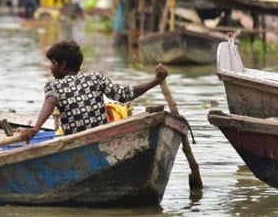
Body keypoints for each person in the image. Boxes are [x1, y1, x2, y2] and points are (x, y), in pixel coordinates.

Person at [19, 40, 168, 142]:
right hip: (102, 138)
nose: (50, 67)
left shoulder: (54, 86)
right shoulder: (96, 77)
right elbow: (124, 94)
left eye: (53, 63)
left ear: (63, 65)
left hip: (75, 144)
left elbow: (50, 101)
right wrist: (155, 81)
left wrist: (36, 128)